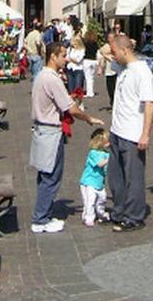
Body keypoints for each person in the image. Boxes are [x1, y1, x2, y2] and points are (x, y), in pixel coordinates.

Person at [29, 40, 104, 233]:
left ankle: (43, 213)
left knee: (45, 175)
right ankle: (40, 218)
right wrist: (88, 118)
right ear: (53, 56)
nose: (65, 59)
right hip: (50, 131)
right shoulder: (51, 79)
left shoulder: (42, 76)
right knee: (51, 176)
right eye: (62, 55)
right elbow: (70, 107)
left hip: (41, 130)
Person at [108, 34, 153, 232]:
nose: (113, 56)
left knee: (133, 177)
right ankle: (118, 211)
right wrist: (117, 43)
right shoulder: (123, 67)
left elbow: (149, 104)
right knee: (115, 176)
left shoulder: (142, 72)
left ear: (125, 51)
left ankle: (134, 215)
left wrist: (145, 134)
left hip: (132, 132)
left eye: (115, 52)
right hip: (116, 129)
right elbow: (105, 53)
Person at [80, 128, 110, 227]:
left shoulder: (106, 154)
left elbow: (106, 169)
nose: (109, 144)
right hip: (88, 182)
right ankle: (88, 217)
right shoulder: (93, 153)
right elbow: (100, 164)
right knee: (90, 201)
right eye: (107, 142)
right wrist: (110, 158)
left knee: (102, 198)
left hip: (99, 182)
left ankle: (101, 213)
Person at [98, 32, 119, 107]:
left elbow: (113, 58)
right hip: (109, 70)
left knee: (116, 88)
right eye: (109, 38)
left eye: (111, 38)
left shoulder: (117, 46)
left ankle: (115, 103)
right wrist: (100, 68)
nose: (110, 39)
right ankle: (112, 101)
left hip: (116, 71)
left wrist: (105, 54)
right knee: (109, 88)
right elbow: (101, 54)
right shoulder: (106, 46)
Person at [82, 25, 98, 97]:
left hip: (86, 60)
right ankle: (91, 91)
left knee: (87, 77)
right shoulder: (95, 44)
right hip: (94, 60)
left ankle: (89, 92)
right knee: (91, 77)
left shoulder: (85, 44)